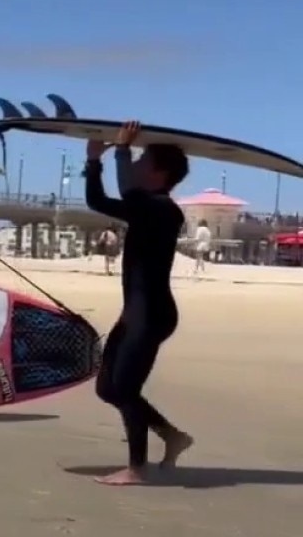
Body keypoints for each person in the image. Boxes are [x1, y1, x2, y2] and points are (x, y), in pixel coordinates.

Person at [84, 121, 195, 486]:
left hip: (151, 315)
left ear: (158, 173)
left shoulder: (163, 209)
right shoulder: (147, 207)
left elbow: (120, 197)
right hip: (136, 313)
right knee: (107, 389)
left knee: (126, 389)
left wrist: (116, 152)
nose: (134, 166)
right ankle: (172, 436)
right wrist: (97, 159)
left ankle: (137, 469)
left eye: (141, 160)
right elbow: (99, 201)